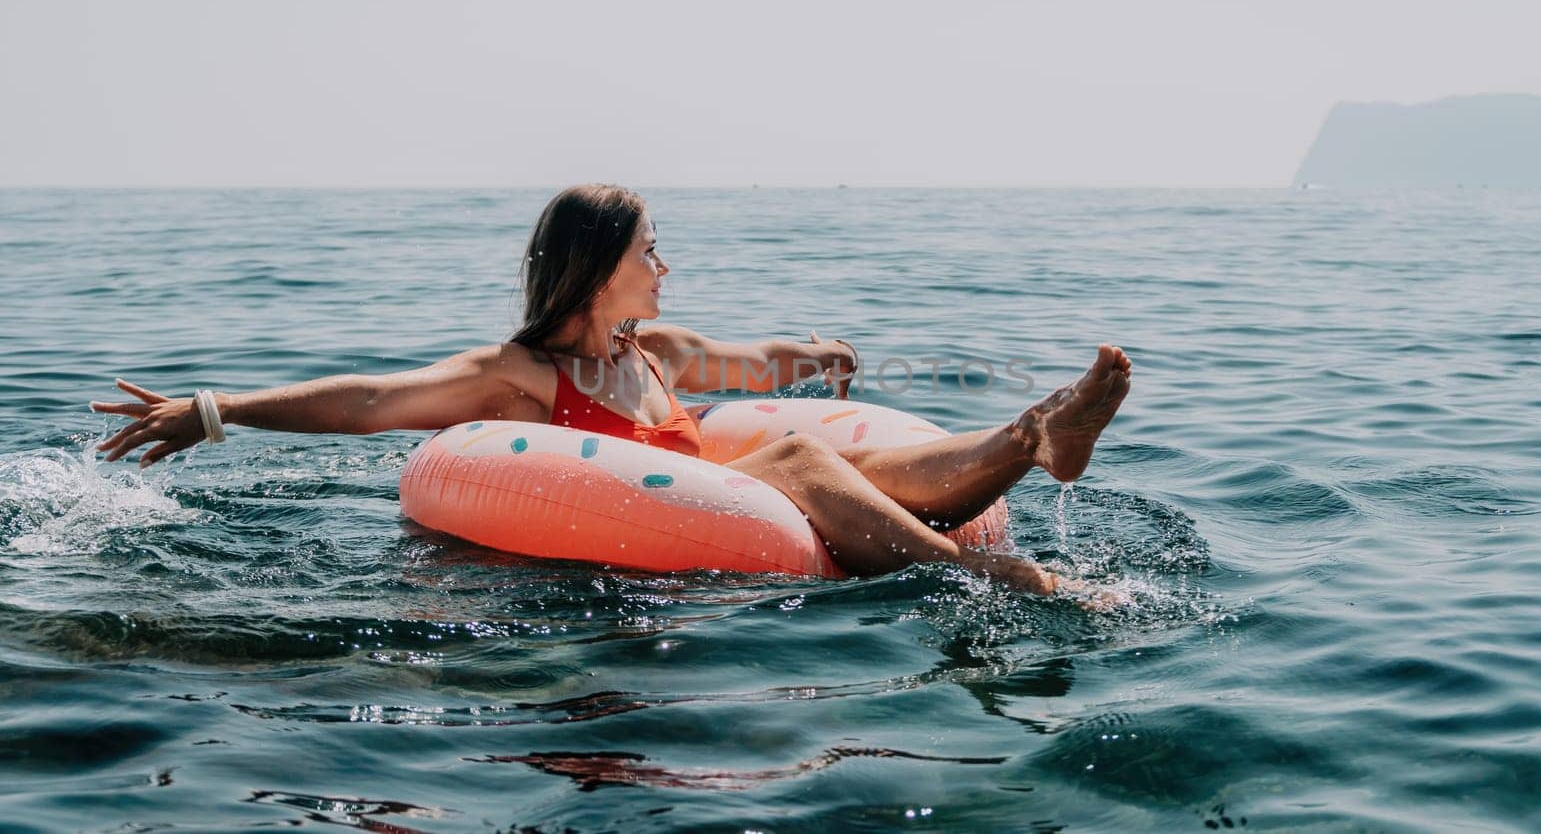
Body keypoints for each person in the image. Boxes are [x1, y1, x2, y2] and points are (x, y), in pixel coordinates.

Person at [92, 184, 1133, 602]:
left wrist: (812, 356)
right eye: (650, 250)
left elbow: (747, 363)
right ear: (596, 268)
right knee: (803, 463)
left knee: (832, 455)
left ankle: (1034, 436)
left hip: (740, 510)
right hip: (635, 562)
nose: (665, 265)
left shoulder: (654, 350)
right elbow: (370, 401)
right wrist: (215, 409)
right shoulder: (516, 376)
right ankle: (1002, 579)